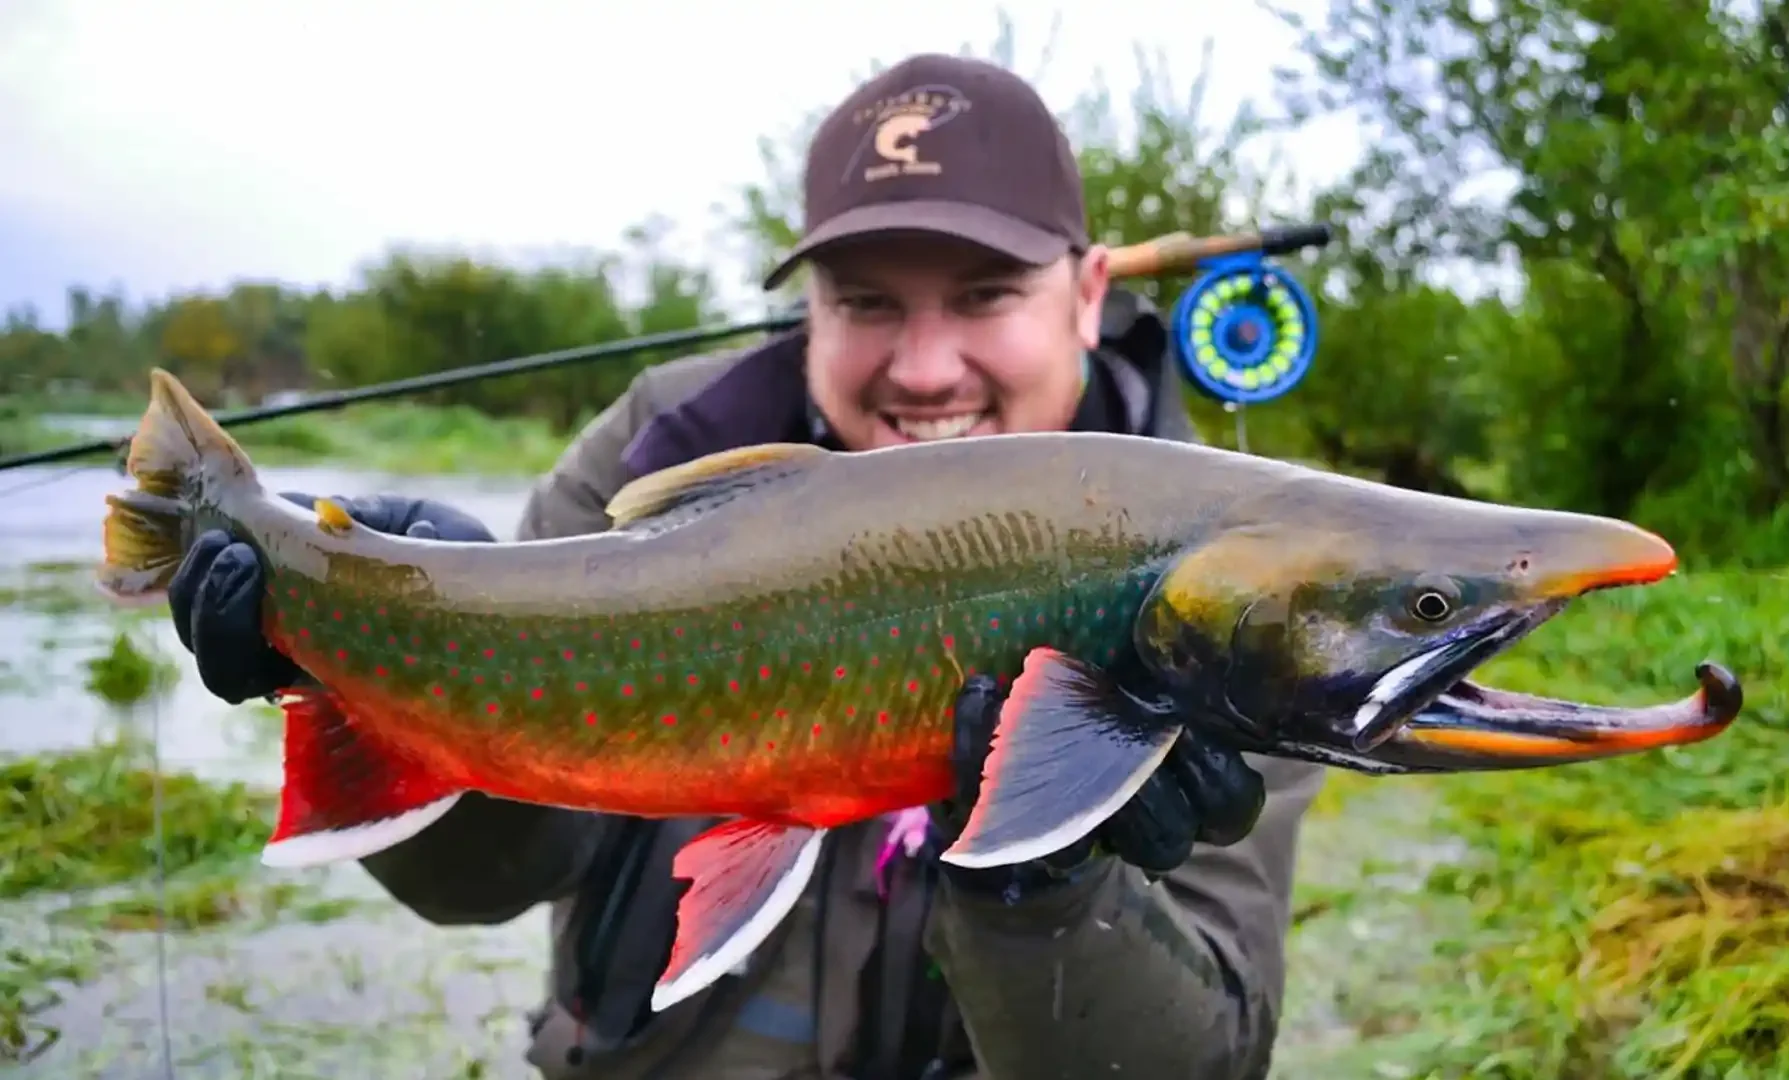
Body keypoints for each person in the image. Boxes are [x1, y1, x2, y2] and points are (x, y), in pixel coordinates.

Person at [167, 53, 1326, 1080]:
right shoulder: (652, 452)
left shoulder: (1232, 588)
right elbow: (487, 882)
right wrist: (388, 661)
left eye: (984, 295)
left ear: (1086, 296)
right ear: (808, 305)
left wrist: (1051, 886)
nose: (925, 369)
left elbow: (1208, 1059)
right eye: (866, 301)